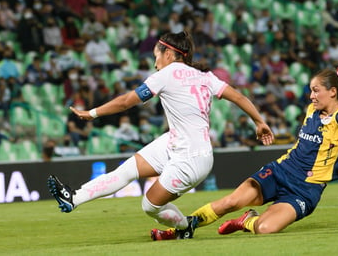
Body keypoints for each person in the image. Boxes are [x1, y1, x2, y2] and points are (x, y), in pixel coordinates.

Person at [47, 31, 274, 239]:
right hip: (176, 142)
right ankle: (73, 197)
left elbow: (127, 102)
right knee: (125, 171)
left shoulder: (167, 74)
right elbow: (240, 98)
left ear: (168, 53)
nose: (155, 62)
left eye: (156, 56)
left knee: (149, 206)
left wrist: (92, 113)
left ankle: (185, 226)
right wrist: (259, 121)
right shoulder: (205, 77)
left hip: (191, 158)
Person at [151, 50, 338, 240]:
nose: (311, 96)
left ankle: (247, 220)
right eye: (311, 91)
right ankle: (180, 229)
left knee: (265, 229)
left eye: (316, 91)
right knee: (229, 202)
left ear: (333, 92)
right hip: (280, 171)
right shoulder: (311, 110)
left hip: (305, 190)